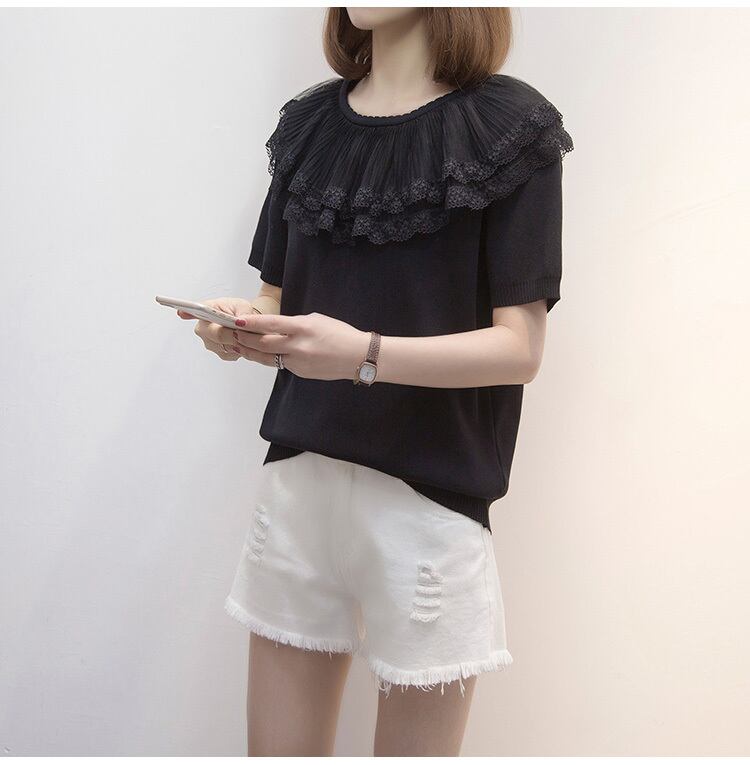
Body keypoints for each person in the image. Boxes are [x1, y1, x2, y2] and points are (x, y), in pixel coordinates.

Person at [178, 7, 573, 757]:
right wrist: (240, 325)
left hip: (429, 507)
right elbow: (277, 299)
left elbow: (520, 349)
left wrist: (364, 354)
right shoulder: (307, 127)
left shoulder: (512, 129)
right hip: (298, 492)